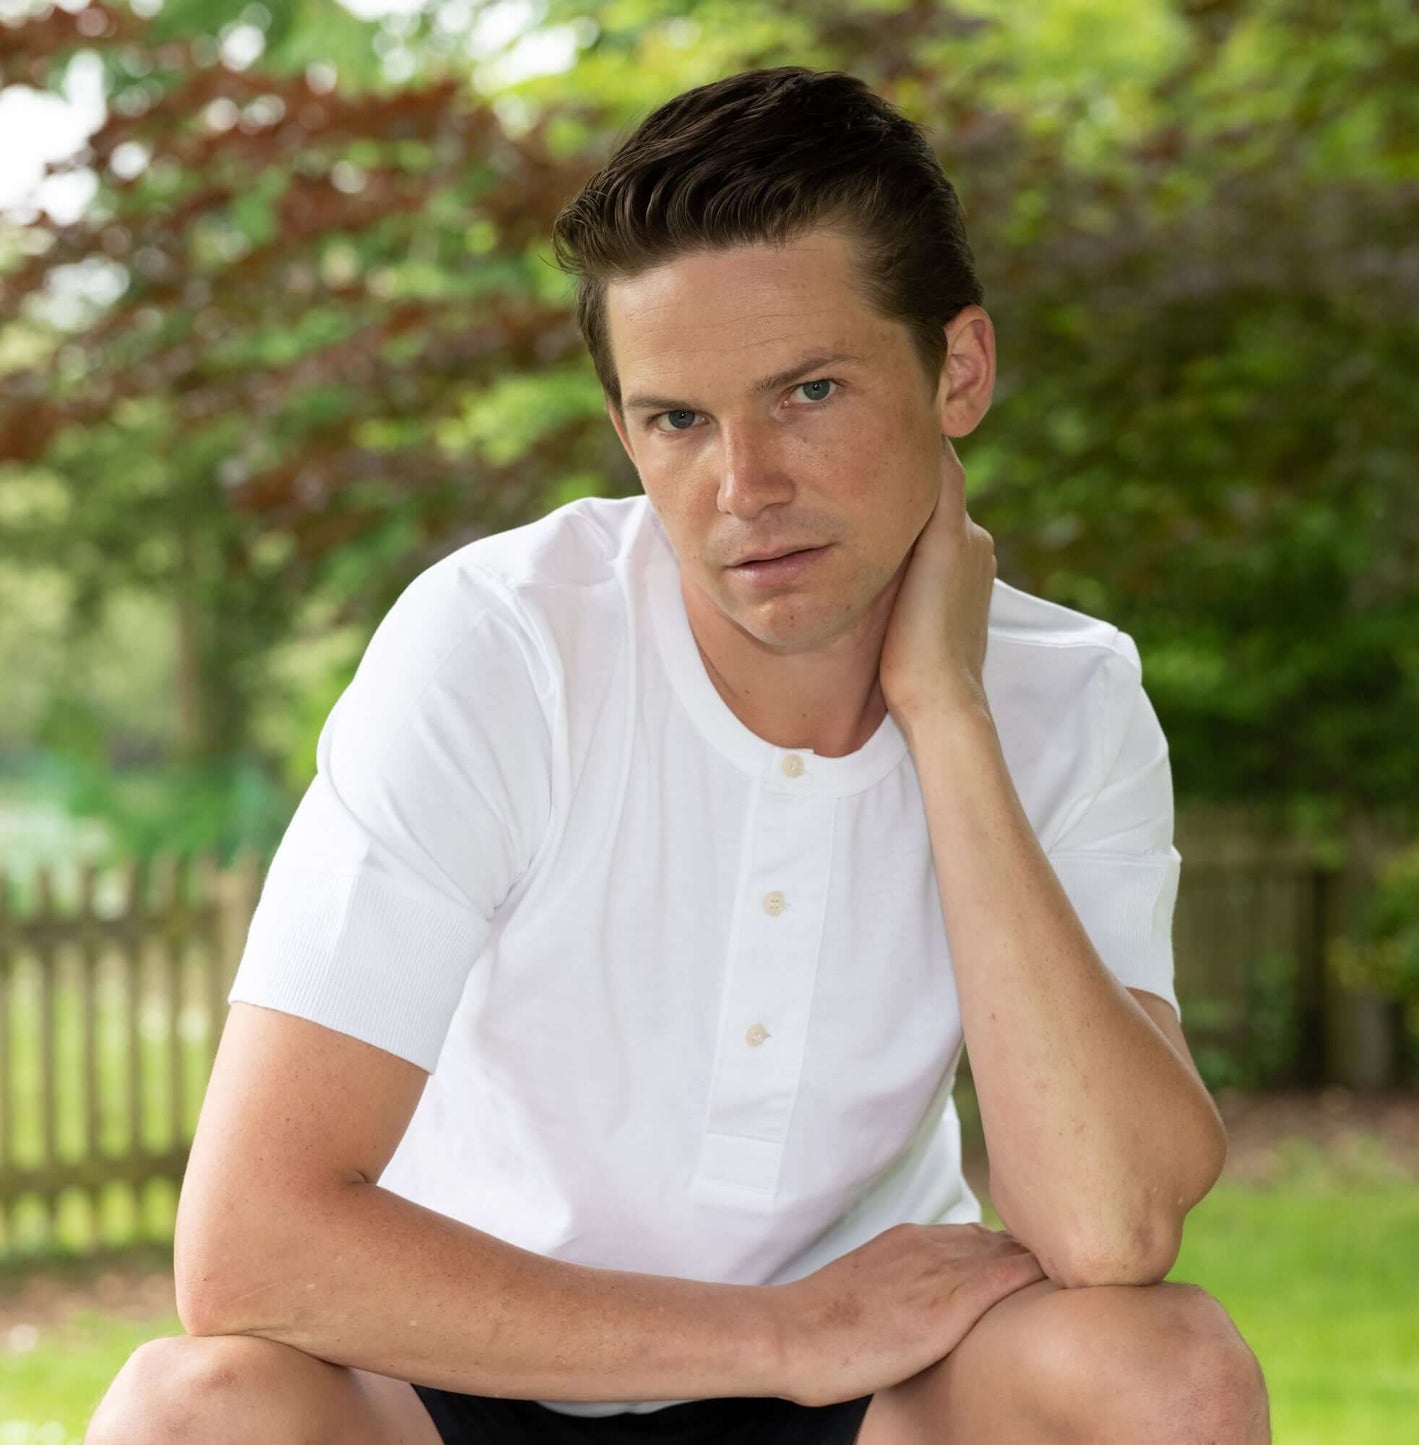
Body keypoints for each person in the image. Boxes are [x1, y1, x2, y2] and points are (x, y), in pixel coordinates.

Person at [85, 65, 1270, 1445]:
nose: (743, 487)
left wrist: (946, 714)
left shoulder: (1069, 694)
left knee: (1160, 1369)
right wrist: (779, 1334)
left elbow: (1106, 1220)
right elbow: (246, 1247)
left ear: (958, 368)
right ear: (624, 428)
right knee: (196, 1405)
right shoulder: (502, 646)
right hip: (466, 1372)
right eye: (678, 420)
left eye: (809, 391)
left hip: (865, 1398)